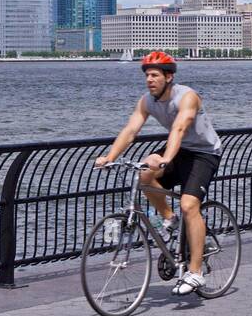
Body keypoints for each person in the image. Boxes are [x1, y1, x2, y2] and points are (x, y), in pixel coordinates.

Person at [95, 51, 224, 295]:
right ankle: (171, 221)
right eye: (147, 75)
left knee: (189, 205)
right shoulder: (147, 101)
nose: (149, 80)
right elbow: (131, 130)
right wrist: (110, 158)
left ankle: (196, 273)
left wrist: (165, 159)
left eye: (154, 75)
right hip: (179, 150)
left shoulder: (186, 97)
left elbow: (179, 128)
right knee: (144, 174)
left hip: (204, 153)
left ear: (169, 76)